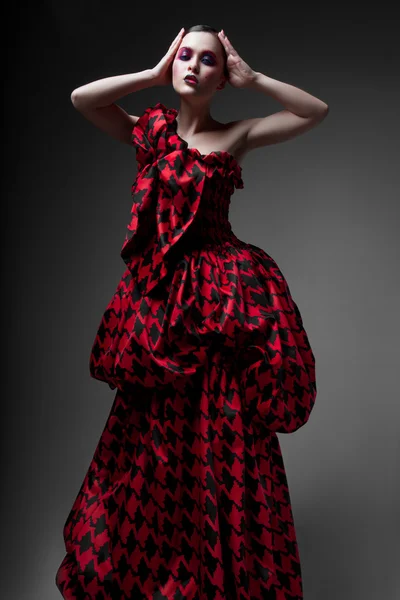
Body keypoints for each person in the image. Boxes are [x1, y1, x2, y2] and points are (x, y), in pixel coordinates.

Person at [56, 23, 327, 600]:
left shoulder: (235, 136)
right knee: (150, 450)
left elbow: (314, 112)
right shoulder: (149, 132)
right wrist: (150, 75)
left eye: (208, 60)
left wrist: (254, 78)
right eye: (185, 56)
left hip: (222, 299)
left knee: (222, 437)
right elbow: (84, 98)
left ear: (221, 75)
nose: (194, 67)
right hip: (159, 309)